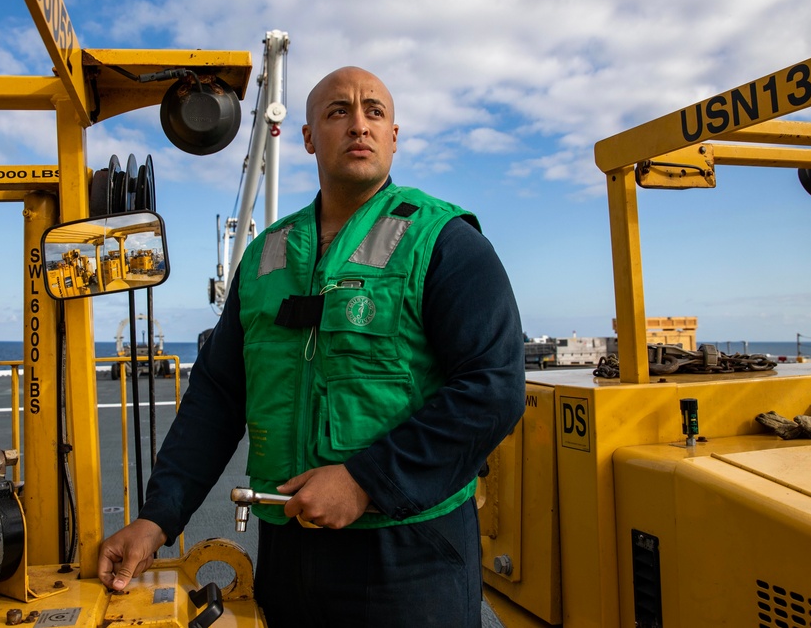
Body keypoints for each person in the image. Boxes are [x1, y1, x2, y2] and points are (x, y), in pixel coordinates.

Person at [98, 66, 525, 627]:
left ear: (394, 137)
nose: (359, 125)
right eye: (337, 112)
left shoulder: (445, 241)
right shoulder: (265, 256)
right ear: (306, 138)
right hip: (290, 551)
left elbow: (493, 389)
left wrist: (366, 481)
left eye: (375, 112)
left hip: (411, 555)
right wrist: (157, 520)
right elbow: (219, 396)